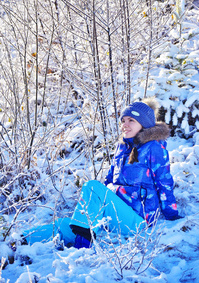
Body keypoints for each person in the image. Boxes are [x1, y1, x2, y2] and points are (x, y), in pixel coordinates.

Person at [23, 98, 180, 250]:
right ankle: (20, 241)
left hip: (138, 220)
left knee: (92, 187)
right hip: (114, 213)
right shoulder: (122, 147)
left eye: (131, 120)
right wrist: (95, 209)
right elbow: (109, 180)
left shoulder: (154, 148)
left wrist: (172, 214)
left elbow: (164, 182)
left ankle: (83, 245)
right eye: (123, 120)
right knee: (65, 225)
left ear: (144, 124)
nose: (125, 125)